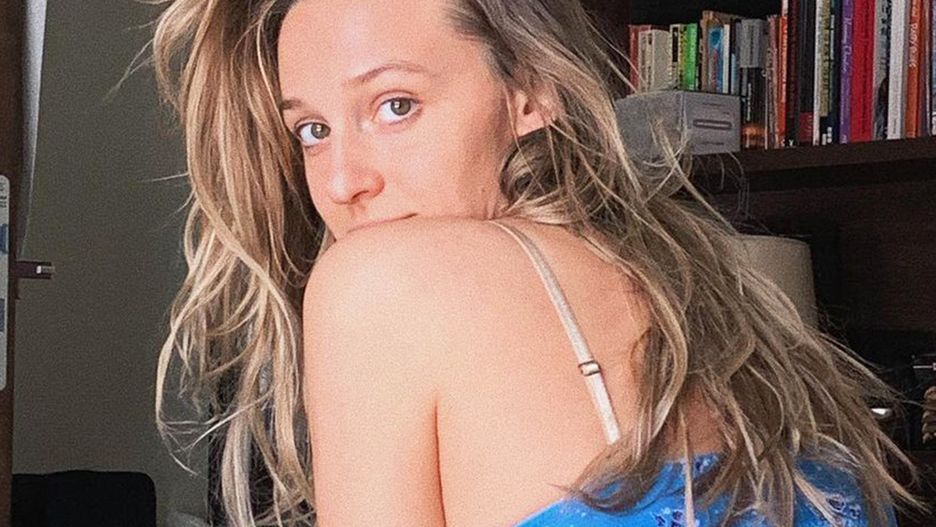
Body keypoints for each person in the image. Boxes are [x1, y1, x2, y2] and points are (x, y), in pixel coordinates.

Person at [150, 0, 927, 525]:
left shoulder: (378, 283)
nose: (343, 179)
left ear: (530, 91)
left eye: (395, 106)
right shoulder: (714, 303)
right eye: (313, 130)